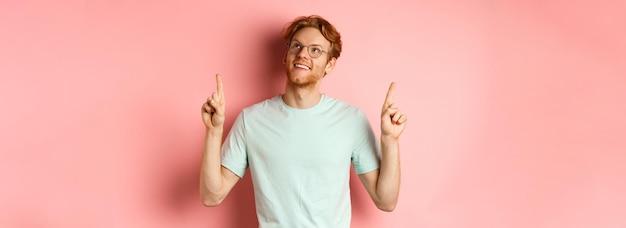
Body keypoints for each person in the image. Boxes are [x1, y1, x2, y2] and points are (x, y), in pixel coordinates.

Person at [199, 15, 407, 227]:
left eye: (315, 50)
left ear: (330, 65)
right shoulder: (251, 120)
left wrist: (390, 139)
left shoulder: (351, 120)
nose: (302, 54)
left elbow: (385, 201)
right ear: (286, 56)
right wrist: (213, 132)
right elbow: (211, 196)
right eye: (296, 46)